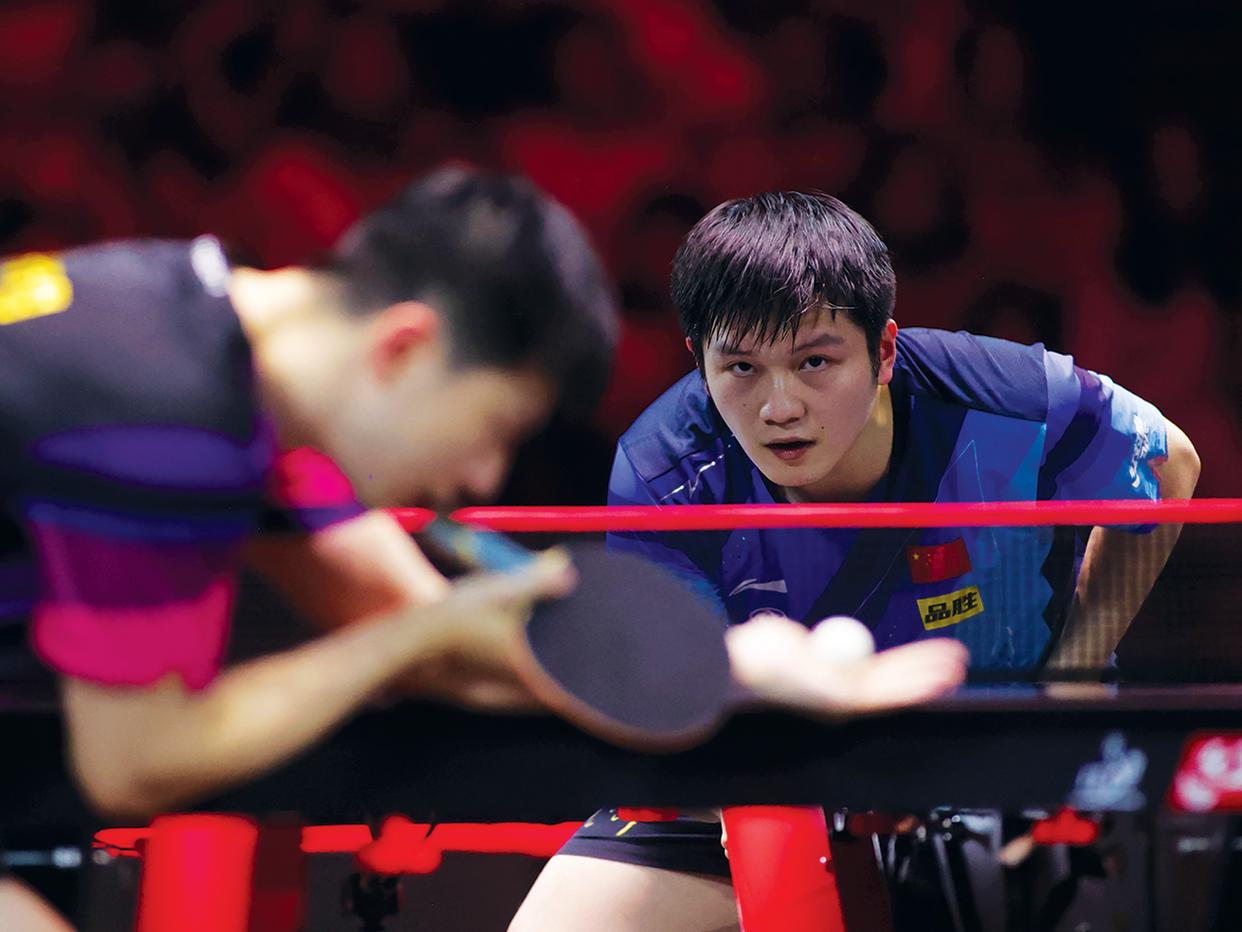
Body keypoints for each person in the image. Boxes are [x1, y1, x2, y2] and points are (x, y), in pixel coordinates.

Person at [0, 172, 966, 927]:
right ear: (406, 349)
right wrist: (413, 645)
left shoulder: (193, 323)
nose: (479, 479)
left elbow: (414, 617)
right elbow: (142, 755)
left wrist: (730, 675)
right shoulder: (159, 408)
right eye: (492, 427)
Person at [511, 191, 1200, 932]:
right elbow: (685, 700)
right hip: (761, 777)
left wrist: (1076, 674)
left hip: (993, 770)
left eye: (814, 361)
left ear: (883, 350)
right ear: (698, 359)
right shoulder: (662, 470)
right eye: (740, 367)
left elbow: (1169, 468)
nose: (780, 406)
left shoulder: (1007, 400)